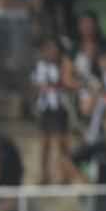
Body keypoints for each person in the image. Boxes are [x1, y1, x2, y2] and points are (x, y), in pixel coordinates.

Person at [32, 36, 73, 184]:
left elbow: (68, 84)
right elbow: (36, 86)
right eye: (48, 49)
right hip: (45, 108)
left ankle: (64, 174)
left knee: (62, 143)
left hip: (60, 107)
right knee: (45, 143)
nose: (51, 52)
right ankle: (44, 175)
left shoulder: (64, 65)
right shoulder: (40, 66)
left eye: (54, 49)